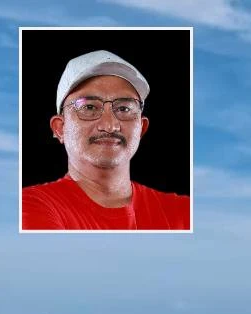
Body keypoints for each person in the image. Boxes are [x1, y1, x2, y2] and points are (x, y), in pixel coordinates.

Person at [22, 50, 190, 231]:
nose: (110, 125)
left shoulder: (184, 212)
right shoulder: (31, 207)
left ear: (141, 127)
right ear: (60, 128)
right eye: (89, 107)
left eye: (124, 108)